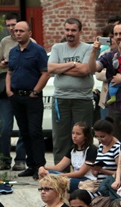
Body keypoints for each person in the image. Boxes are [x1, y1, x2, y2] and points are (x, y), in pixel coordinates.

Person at [48, 18, 95, 165]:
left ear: (80, 32)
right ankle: (59, 171)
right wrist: (73, 64)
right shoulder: (57, 48)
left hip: (83, 99)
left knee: (83, 136)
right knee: (60, 137)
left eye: (73, 30)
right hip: (61, 99)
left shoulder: (88, 48)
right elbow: (50, 68)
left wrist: (61, 68)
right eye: (67, 30)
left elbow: (85, 70)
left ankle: (82, 169)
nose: (70, 33)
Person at [7, 21, 49, 177]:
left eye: (21, 31)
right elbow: (9, 72)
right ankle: (31, 165)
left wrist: (35, 91)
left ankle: (40, 167)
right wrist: (8, 90)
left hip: (32, 97)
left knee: (35, 132)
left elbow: (45, 73)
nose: (17, 33)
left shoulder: (38, 51)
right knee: (24, 132)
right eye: (16, 30)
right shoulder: (13, 51)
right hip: (16, 96)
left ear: (29, 33)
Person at [0, 13, 27, 171]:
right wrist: (4, 63)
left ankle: (20, 159)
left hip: (23, 88)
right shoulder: (4, 42)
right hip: (6, 89)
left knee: (23, 126)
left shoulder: (31, 43)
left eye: (14, 25)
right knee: (4, 127)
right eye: (8, 25)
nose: (12, 28)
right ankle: (4, 159)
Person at [38, 122, 98, 191]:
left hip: (86, 180)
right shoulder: (72, 149)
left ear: (85, 136)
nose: (74, 136)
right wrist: (43, 167)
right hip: (73, 178)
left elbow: (81, 173)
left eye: (78, 134)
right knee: (46, 173)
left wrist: (59, 176)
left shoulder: (91, 150)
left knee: (62, 181)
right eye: (73, 133)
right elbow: (58, 167)